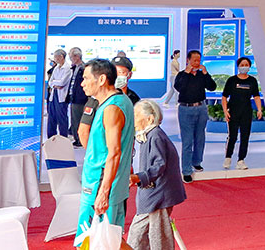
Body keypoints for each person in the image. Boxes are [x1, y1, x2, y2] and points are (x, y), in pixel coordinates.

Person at [75, 58, 134, 249]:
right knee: (110, 240)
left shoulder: (111, 109)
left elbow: (114, 152)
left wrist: (103, 192)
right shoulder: (119, 101)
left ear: (101, 79)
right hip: (107, 183)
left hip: (100, 183)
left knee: (89, 240)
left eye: (86, 78)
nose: (82, 83)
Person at [126, 99, 186, 250]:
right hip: (154, 193)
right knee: (142, 234)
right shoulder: (149, 135)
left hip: (158, 194)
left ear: (150, 119)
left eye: (136, 115)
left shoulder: (155, 136)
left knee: (155, 237)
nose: (133, 119)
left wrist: (139, 177)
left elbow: (159, 165)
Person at [173, 49, 216, 183]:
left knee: (200, 137)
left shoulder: (202, 75)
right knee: (187, 140)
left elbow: (212, 87)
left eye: (199, 60)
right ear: (188, 60)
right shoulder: (181, 75)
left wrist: (206, 73)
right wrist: (187, 73)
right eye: (194, 60)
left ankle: (197, 162)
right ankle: (186, 170)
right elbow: (179, 88)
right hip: (186, 109)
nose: (197, 63)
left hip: (201, 108)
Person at [222, 56, 263, 170]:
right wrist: (225, 111)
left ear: (249, 67)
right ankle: (228, 157)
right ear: (238, 66)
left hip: (246, 112)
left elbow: (256, 96)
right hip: (233, 111)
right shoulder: (232, 80)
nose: (244, 67)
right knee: (232, 136)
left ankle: (241, 160)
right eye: (242, 65)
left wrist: (259, 109)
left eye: (246, 65)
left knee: (245, 136)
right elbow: (224, 97)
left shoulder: (252, 81)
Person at [47, 50, 72, 138]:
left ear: (61, 56)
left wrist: (55, 83)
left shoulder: (67, 68)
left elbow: (62, 82)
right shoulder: (56, 68)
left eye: (56, 57)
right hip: (54, 94)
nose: (55, 59)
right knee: (51, 117)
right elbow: (50, 82)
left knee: (62, 118)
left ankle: (63, 137)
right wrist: (55, 84)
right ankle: (51, 138)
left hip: (62, 96)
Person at [67, 47, 88, 147]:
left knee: (78, 119)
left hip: (80, 98)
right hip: (74, 97)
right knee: (74, 120)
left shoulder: (83, 68)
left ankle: (80, 140)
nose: (71, 59)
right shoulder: (75, 68)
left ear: (77, 56)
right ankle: (77, 138)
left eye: (71, 57)